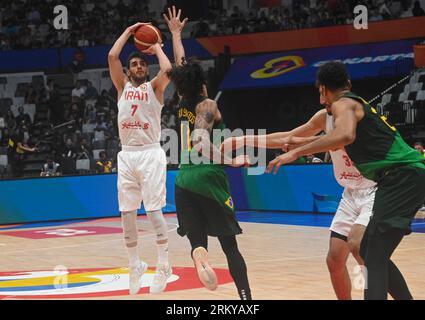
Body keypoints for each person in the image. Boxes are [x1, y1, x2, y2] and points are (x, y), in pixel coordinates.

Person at [265, 62, 425, 300]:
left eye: (322, 94)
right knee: (370, 250)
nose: (322, 102)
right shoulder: (351, 104)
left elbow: (344, 135)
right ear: (347, 83)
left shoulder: (344, 103)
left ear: (324, 90)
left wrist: (297, 152)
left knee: (373, 253)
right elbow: (316, 137)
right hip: (402, 176)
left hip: (403, 175)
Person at [222, 107, 377, 300]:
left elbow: (329, 140)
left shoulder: (354, 115)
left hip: (373, 189)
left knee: (362, 251)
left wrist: (298, 147)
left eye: (323, 92)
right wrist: (242, 140)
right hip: (351, 192)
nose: (321, 99)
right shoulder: (324, 116)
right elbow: (288, 138)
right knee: (335, 259)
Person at [164, 7, 252, 300]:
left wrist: (176, 34)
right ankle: (245, 300)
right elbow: (201, 142)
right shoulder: (207, 106)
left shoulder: (181, 100)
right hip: (209, 178)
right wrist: (231, 160)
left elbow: (179, 67)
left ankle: (198, 253)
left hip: (182, 181)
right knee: (230, 247)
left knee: (198, 240)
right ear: (204, 83)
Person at [108, 22, 172, 295]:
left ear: (146, 69)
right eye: (133, 64)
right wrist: (128, 30)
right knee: (127, 213)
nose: (137, 67)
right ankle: (135, 264)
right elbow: (112, 56)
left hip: (150, 153)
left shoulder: (155, 88)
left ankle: (164, 264)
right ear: (128, 69)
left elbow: (168, 69)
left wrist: (156, 45)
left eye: (141, 64)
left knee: (154, 211)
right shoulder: (121, 86)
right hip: (127, 155)